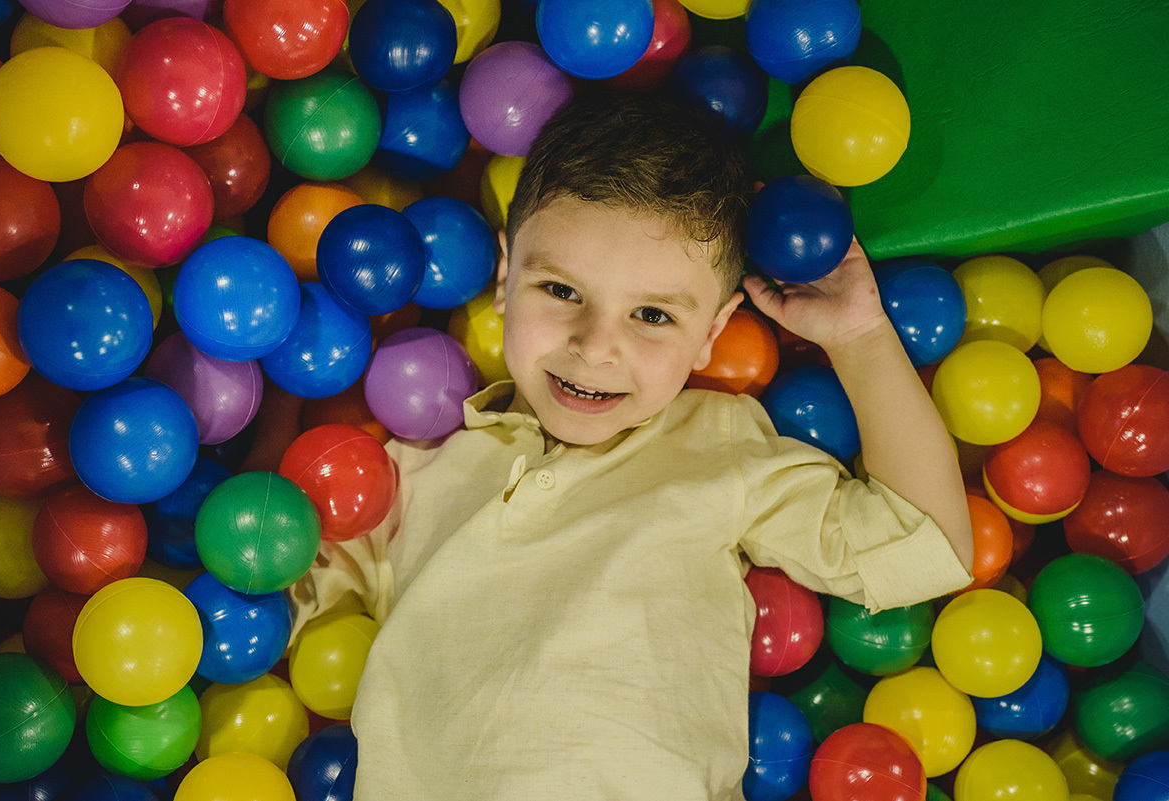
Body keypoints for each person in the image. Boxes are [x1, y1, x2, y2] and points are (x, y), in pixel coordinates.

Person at [288, 90, 974, 800]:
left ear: (712, 333)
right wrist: (284, 370)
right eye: (561, 290)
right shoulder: (403, 477)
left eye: (651, 315)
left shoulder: (717, 448)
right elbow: (256, 578)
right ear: (505, 278)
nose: (596, 347)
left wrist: (859, 336)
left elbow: (925, 546)